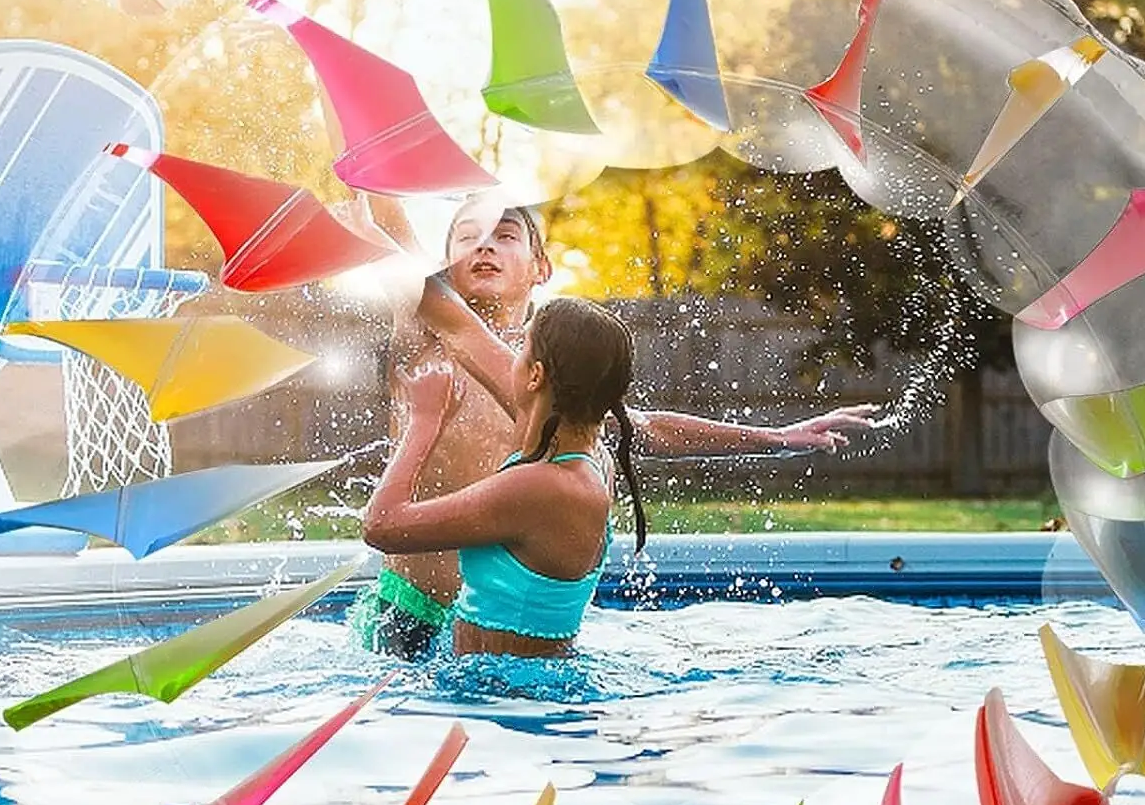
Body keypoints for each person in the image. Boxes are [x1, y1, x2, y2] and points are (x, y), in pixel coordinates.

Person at [349, 195, 880, 658]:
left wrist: (778, 439)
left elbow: (645, 427)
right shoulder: (456, 348)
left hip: (490, 635)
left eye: (503, 235)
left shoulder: (541, 390)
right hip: (417, 613)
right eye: (468, 237)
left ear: (541, 268)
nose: (484, 247)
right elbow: (387, 214)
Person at [362, 291, 641, 658]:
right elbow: (462, 327)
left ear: (535, 375)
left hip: (502, 696)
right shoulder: (589, 462)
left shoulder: (540, 487)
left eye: (521, 345)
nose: (512, 357)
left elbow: (382, 526)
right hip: (528, 690)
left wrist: (424, 422)